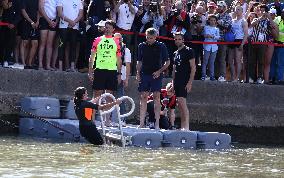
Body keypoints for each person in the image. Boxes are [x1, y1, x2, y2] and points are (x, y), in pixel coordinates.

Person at [88, 20, 122, 126]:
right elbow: (92, 56)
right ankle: (92, 119)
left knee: (109, 96)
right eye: (105, 27)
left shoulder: (116, 41)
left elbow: (119, 59)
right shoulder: (97, 40)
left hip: (111, 71)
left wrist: (119, 73)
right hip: (99, 70)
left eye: (109, 27)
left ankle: (107, 120)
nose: (107, 29)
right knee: (96, 95)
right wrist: (90, 71)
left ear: (113, 29)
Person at [136, 27, 170, 129]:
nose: (149, 40)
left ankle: (157, 124)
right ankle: (141, 123)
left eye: (151, 38)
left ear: (155, 37)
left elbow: (167, 62)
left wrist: (159, 71)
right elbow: (139, 61)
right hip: (144, 74)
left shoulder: (161, 46)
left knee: (156, 97)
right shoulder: (141, 46)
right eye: (147, 37)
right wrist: (138, 73)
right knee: (143, 97)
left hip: (156, 75)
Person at [172, 32, 196, 130]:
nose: (177, 41)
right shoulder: (175, 53)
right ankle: (183, 127)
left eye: (179, 39)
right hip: (177, 80)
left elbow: (193, 68)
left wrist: (190, 83)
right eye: (176, 39)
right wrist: (173, 83)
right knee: (179, 103)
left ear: (183, 40)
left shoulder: (189, 51)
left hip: (184, 80)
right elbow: (174, 69)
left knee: (182, 102)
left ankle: (186, 127)